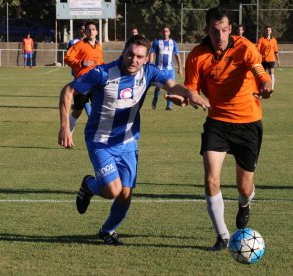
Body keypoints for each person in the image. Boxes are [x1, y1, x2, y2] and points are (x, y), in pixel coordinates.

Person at [58, 35, 209, 245]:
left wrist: (190, 94)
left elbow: (173, 86)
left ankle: (107, 230)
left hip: (128, 142)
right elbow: (68, 90)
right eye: (130, 54)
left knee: (125, 194)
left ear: (146, 59)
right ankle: (88, 186)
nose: (133, 60)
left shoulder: (149, 72)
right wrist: (65, 127)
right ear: (123, 52)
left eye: (139, 56)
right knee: (112, 190)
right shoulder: (103, 73)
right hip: (100, 140)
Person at [184, 7, 273, 251]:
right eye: (215, 31)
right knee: (211, 179)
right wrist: (190, 96)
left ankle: (244, 204)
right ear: (207, 31)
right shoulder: (196, 56)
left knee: (245, 188)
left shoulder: (244, 47)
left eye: (224, 30)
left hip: (248, 123)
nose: (220, 35)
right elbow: (190, 87)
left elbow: (258, 70)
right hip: (217, 123)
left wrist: (265, 83)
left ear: (230, 29)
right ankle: (222, 236)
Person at [64, 21, 104, 133]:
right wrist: (81, 63)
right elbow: (67, 58)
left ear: (97, 32)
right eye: (88, 29)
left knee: (98, 110)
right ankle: (68, 132)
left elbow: (100, 62)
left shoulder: (99, 46)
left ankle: (97, 136)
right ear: (85, 32)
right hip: (83, 83)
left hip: (96, 83)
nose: (91, 31)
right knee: (78, 111)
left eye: (93, 29)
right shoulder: (79, 45)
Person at [150, 25, 182, 110]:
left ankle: (169, 106)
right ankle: (155, 99)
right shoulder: (157, 42)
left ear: (169, 33)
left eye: (167, 31)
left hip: (170, 69)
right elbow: (152, 53)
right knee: (158, 87)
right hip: (159, 69)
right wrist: (150, 64)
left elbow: (177, 55)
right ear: (161, 32)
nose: (165, 33)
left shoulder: (173, 43)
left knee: (171, 87)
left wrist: (180, 68)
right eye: (164, 31)